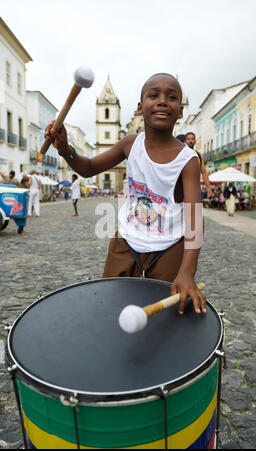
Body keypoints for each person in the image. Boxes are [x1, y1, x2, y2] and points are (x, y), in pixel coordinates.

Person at [45, 72, 206, 315]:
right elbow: (88, 168)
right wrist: (65, 148)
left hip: (169, 248)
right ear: (141, 107)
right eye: (154, 95)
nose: (162, 101)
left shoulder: (188, 160)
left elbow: (195, 218)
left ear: (180, 111)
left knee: (165, 321)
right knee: (110, 311)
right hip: (125, 243)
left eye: (171, 97)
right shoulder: (130, 144)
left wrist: (187, 272)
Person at [184, 132, 212, 198]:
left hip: (196, 189)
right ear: (185, 141)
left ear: (195, 141)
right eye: (188, 139)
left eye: (192, 139)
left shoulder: (199, 155)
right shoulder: (181, 154)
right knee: (187, 208)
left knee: (197, 207)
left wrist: (209, 187)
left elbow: (204, 172)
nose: (190, 140)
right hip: (183, 189)